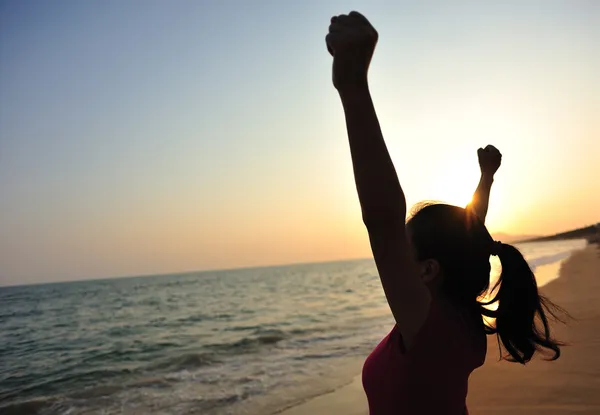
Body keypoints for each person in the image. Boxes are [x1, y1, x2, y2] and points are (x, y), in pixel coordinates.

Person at [325, 12, 563, 415]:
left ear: (428, 270)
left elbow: (380, 219)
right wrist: (485, 180)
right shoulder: (465, 314)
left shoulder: (425, 325)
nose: (395, 251)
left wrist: (352, 86)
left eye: (405, 246)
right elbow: (471, 234)